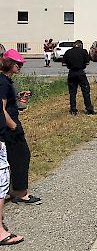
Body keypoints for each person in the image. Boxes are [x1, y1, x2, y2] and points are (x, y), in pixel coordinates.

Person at [0, 50, 41, 205]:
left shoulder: (5, 80)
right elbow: (1, 109)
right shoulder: (3, 82)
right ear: (10, 64)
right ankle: (21, 193)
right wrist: (13, 126)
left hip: (9, 124)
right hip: (10, 127)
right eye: (18, 63)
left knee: (13, 158)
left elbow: (8, 103)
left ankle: (12, 190)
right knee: (22, 156)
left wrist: (19, 98)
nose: (20, 66)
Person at [62, 40, 96, 115]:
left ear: (74, 45)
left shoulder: (68, 52)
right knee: (86, 91)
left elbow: (64, 64)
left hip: (71, 73)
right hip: (81, 73)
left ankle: (73, 110)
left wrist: (70, 65)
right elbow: (87, 63)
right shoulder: (83, 51)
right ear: (81, 45)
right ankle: (89, 109)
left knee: (72, 93)